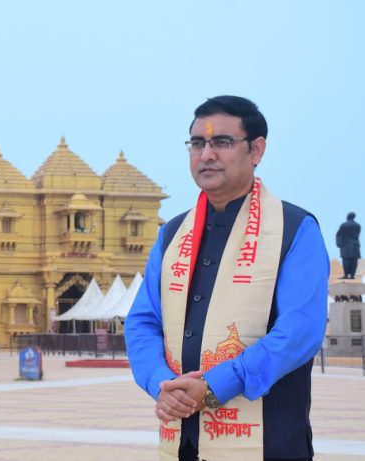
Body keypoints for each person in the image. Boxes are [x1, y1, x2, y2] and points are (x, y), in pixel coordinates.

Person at [125, 96, 329, 461]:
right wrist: (160, 384)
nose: (206, 155)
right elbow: (142, 321)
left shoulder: (294, 229)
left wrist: (215, 386)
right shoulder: (172, 235)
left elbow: (299, 331)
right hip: (183, 444)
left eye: (222, 142)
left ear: (256, 149)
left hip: (270, 445)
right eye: (197, 143)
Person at [336, 212, 360, 279]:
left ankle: (346, 275)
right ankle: (352, 275)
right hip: (355, 245)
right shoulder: (358, 225)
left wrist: (339, 243)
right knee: (354, 261)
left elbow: (339, 234)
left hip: (345, 245)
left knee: (346, 261)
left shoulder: (344, 225)